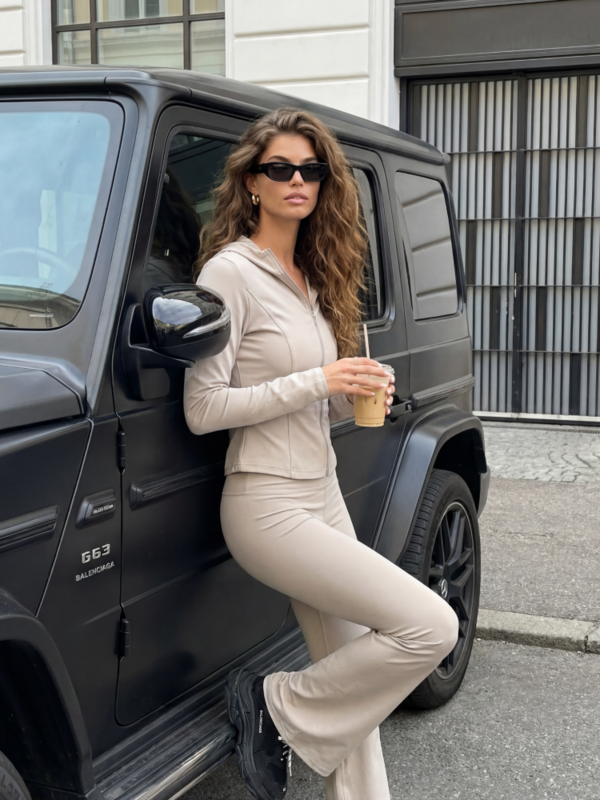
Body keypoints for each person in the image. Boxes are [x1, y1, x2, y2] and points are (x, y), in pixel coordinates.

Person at [183, 108, 458, 800]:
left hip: (322, 489)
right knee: (431, 625)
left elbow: (314, 401)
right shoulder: (229, 273)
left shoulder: (313, 275)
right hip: (266, 502)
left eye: (310, 169)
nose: (297, 180)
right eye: (279, 168)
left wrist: (350, 392)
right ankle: (273, 704)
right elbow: (203, 407)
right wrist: (320, 379)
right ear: (251, 182)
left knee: (354, 686)